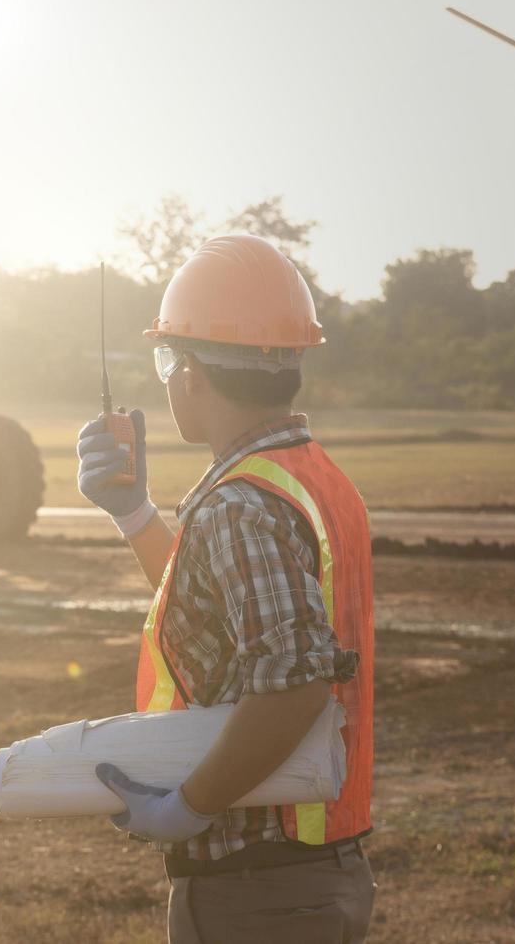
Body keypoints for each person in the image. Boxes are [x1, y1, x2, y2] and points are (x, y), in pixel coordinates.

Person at [77, 234, 376, 943]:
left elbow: (295, 682)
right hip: (304, 873)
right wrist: (135, 515)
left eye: (166, 358)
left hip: (260, 888)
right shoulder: (307, 476)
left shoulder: (242, 505)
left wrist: (188, 805)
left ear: (190, 373)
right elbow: (229, 613)